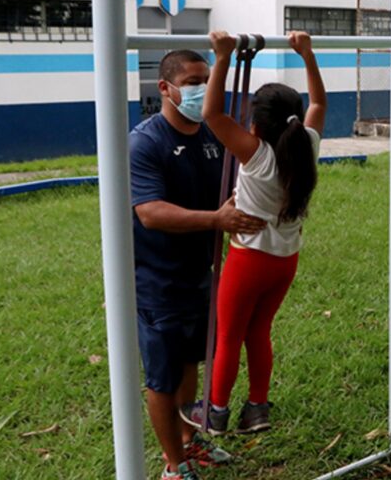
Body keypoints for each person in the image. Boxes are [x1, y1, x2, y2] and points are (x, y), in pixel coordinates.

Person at [179, 31, 326, 437]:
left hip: (249, 260)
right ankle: (256, 408)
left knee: (228, 335)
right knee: (258, 332)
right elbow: (318, 103)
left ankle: (216, 411)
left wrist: (222, 57)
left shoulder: (256, 154)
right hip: (284, 261)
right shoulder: (306, 145)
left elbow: (211, 114)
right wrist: (308, 56)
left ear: (257, 124)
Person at [131, 50, 267, 480]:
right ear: (165, 89)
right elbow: (150, 212)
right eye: (192, 81)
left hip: (201, 274)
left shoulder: (212, 134)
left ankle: (190, 442)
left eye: (206, 80)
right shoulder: (145, 142)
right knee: (162, 378)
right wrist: (217, 219)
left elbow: (235, 188)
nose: (201, 89)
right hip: (158, 279)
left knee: (191, 361)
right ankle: (174, 466)